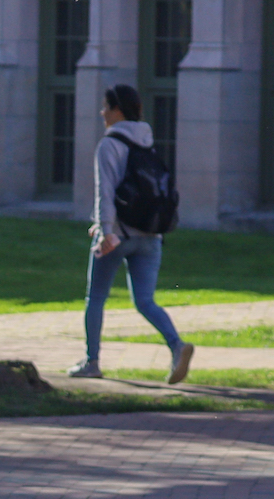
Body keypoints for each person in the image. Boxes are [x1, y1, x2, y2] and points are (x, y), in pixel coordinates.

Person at [75, 84, 194, 384]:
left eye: (105, 107)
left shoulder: (109, 144)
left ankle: (92, 362)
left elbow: (107, 191)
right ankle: (177, 345)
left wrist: (105, 232)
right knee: (145, 301)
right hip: (151, 236)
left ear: (117, 110)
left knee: (96, 298)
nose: (102, 113)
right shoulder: (146, 142)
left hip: (118, 236)